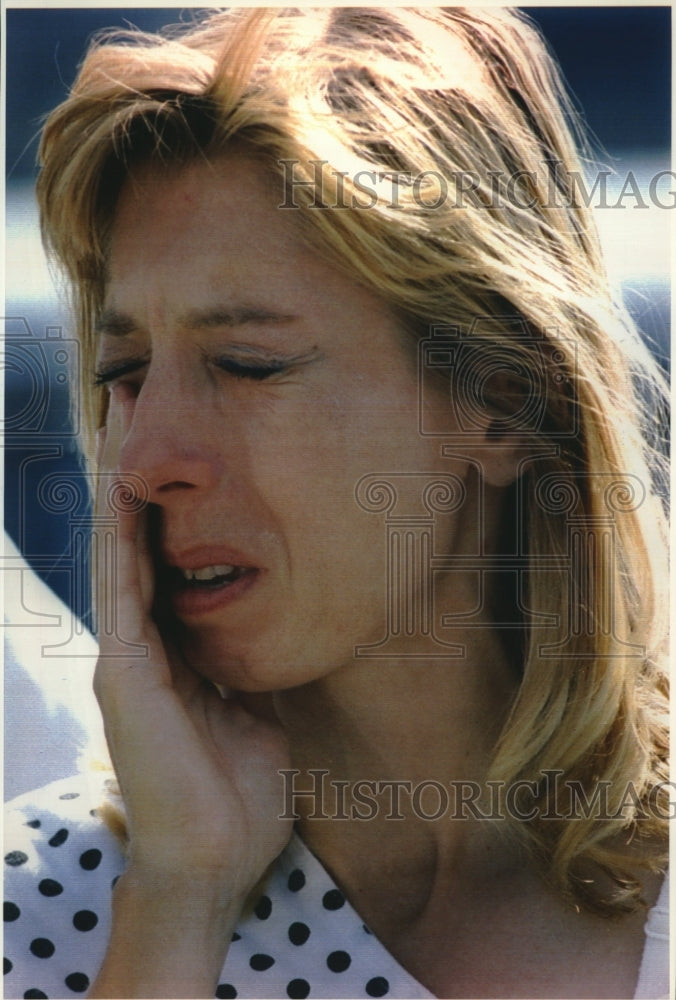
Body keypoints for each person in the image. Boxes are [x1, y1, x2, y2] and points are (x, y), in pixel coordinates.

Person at [4, 7, 669, 999]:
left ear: (503, 402)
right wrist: (179, 899)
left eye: (247, 364)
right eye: (124, 372)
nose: (143, 457)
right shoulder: (43, 911)